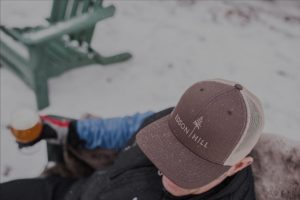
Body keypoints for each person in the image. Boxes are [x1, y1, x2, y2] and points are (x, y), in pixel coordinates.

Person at [0, 79, 264, 200]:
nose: (166, 169)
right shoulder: (167, 119)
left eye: (188, 165)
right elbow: (124, 129)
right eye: (168, 144)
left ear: (238, 165)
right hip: (75, 191)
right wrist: (72, 131)